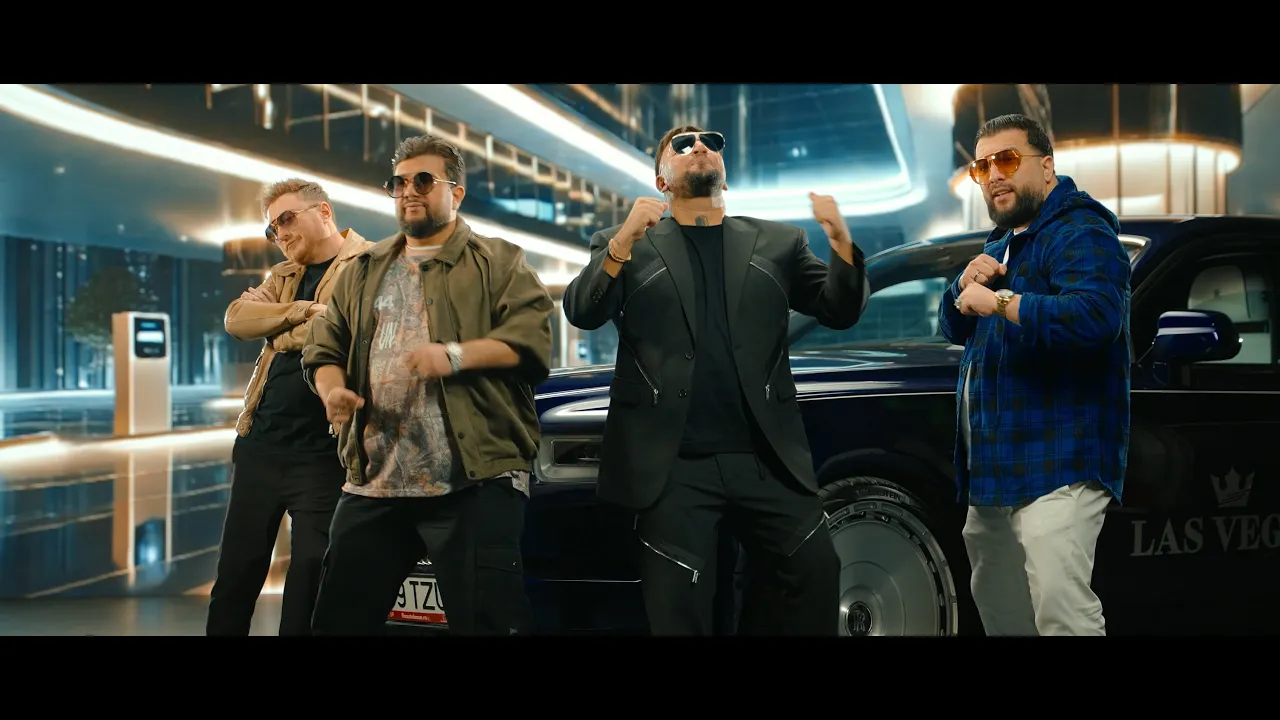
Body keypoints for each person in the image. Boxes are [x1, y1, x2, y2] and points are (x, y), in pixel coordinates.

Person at [562, 125, 870, 635]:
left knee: (815, 571)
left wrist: (841, 242)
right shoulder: (626, 243)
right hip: (673, 467)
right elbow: (583, 311)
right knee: (679, 610)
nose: (700, 147)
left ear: (724, 174)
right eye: (682, 145)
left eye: (711, 141)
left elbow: (839, 310)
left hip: (766, 459)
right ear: (661, 180)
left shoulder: (780, 241)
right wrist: (620, 243)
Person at [301, 134, 554, 636]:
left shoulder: (499, 261)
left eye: (423, 180)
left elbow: (530, 344)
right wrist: (332, 391)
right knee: (336, 622)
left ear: (455, 193)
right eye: (398, 183)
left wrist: (455, 356)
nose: (409, 191)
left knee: (490, 624)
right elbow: (323, 349)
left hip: (474, 481)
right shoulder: (363, 269)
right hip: (374, 481)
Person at [937, 113, 1131, 636]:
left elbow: (1097, 317)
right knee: (1000, 607)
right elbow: (952, 327)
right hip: (995, 468)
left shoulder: (1080, 230)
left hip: (1059, 460)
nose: (994, 174)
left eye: (1006, 159)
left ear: (1046, 167)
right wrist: (962, 287)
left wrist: (1001, 301)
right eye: (982, 167)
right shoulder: (1003, 242)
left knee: (1061, 607)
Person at [208, 178, 374, 636]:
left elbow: (345, 333)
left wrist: (278, 330)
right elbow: (237, 319)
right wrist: (301, 311)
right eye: (272, 228)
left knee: (309, 580)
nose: (280, 233)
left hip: (323, 454)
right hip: (259, 445)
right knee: (236, 575)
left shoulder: (370, 264)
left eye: (286, 219)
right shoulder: (283, 276)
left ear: (324, 212)